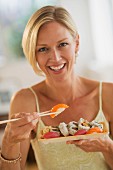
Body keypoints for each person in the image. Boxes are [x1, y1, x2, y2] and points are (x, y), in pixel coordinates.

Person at [0, 5, 113, 170]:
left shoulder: (108, 94)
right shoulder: (24, 101)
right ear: (34, 54)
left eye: (62, 44)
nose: (55, 58)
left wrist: (107, 146)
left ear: (76, 43)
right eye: (43, 49)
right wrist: (9, 141)